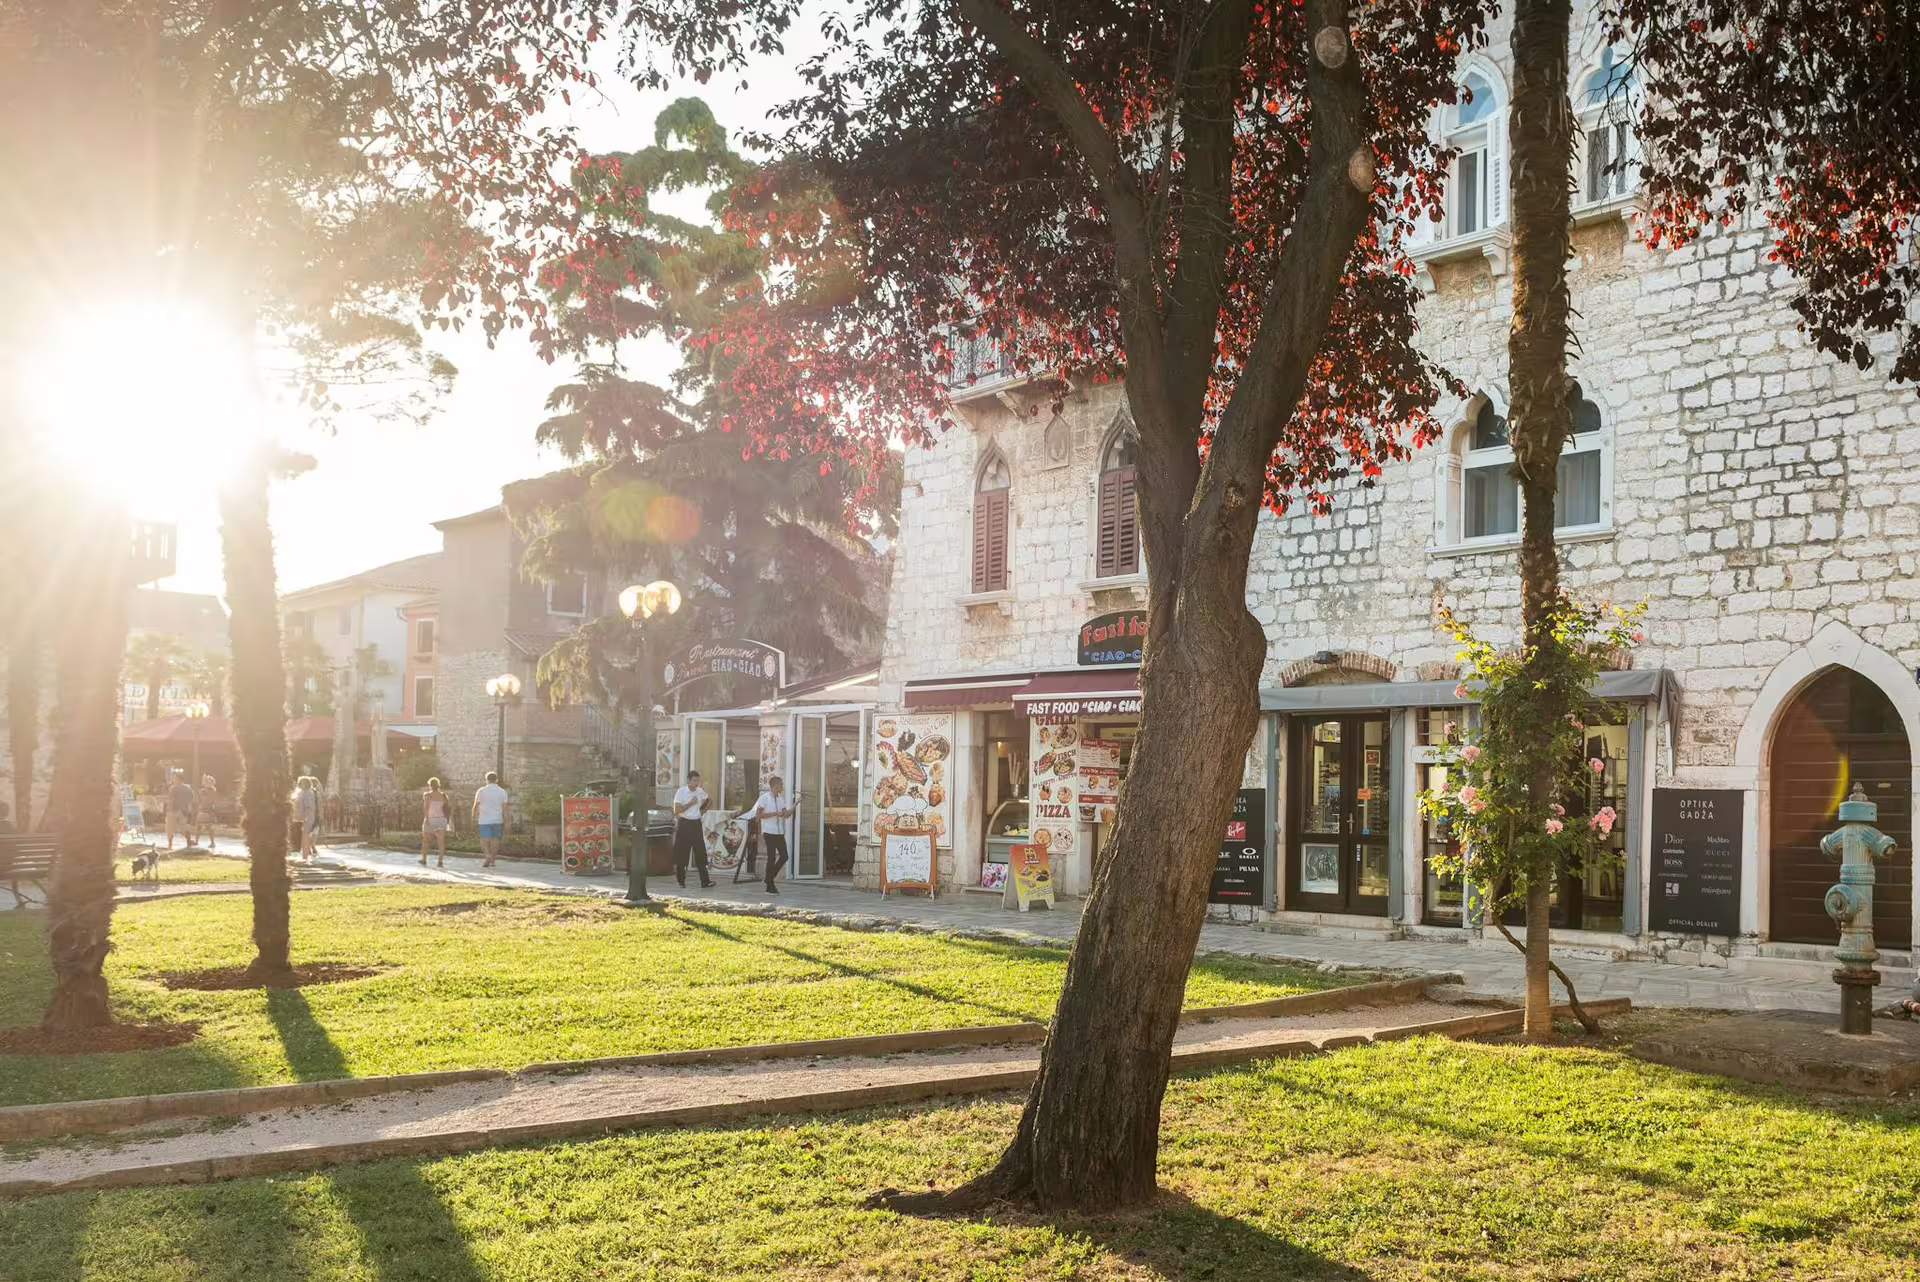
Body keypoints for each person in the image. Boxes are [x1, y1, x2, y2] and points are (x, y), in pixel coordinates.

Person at [736, 775, 795, 894]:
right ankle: (770, 885)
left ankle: (769, 878)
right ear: (775, 785)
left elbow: (785, 814)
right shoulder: (764, 798)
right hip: (769, 831)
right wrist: (775, 813)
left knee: (784, 856)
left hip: (779, 832)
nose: (782, 787)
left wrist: (794, 806)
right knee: (771, 858)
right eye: (781, 784)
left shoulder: (780, 798)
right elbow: (758, 816)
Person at [670, 769, 712, 888]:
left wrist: (703, 811)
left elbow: (709, 800)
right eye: (694, 781)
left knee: (700, 852)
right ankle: (681, 881)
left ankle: (705, 881)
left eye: (697, 781)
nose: (696, 783)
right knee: (682, 853)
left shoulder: (700, 791)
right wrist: (690, 804)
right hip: (684, 823)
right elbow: (676, 811)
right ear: (688, 781)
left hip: (696, 823)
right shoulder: (681, 792)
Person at [473, 771, 511, 867]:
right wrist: (507, 822)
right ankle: (493, 861)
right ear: (496, 780)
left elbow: (476, 805)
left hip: (484, 820)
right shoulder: (502, 792)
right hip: (497, 820)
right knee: (495, 840)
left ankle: (487, 855)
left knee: (484, 839)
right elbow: (505, 809)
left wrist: (473, 817)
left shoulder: (481, 791)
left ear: (486, 780)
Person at [421, 777, 453, 867]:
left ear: (430, 785)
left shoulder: (427, 795)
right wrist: (449, 821)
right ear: (438, 785)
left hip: (431, 819)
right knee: (441, 841)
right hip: (441, 819)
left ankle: (424, 859)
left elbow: (426, 808)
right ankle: (440, 861)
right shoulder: (443, 795)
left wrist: (426, 819)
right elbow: (448, 809)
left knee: (426, 841)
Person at [166, 772, 196, 851]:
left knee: (170, 828)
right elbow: (192, 800)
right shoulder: (188, 788)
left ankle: (170, 844)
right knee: (185, 827)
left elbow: (171, 800)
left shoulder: (173, 788)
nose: (173, 779)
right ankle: (188, 842)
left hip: (174, 810)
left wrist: (169, 810)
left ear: (177, 779)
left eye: (174, 778)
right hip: (184, 811)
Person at [293, 776, 320, 861]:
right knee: (302, 837)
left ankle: (305, 857)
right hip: (300, 818)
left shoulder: (308, 793)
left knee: (305, 836)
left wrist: (306, 818)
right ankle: (304, 855)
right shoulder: (300, 792)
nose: (299, 784)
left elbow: (309, 807)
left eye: (300, 782)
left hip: (306, 818)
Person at [195, 776, 219, 851]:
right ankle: (196, 841)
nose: (207, 783)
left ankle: (212, 842)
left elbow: (212, 800)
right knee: (198, 827)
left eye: (209, 782)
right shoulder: (202, 791)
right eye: (206, 782)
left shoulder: (213, 791)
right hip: (201, 810)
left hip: (209, 811)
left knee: (209, 828)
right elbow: (199, 799)